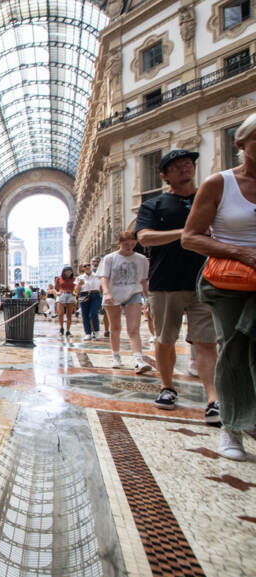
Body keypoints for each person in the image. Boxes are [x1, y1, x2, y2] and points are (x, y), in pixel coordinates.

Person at [182, 112, 256, 460]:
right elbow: (190, 237)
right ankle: (231, 427)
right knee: (234, 349)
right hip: (230, 281)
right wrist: (242, 252)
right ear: (241, 143)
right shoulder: (219, 184)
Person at [136, 149, 219, 419]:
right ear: (164, 176)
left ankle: (213, 398)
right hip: (165, 282)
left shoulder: (209, 199)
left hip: (205, 281)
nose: (184, 168)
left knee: (206, 342)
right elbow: (144, 237)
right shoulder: (154, 205)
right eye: (176, 166)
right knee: (165, 339)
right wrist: (187, 233)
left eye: (188, 163)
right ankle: (167, 387)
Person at [97, 232, 150, 370]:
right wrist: (107, 293)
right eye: (126, 244)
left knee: (134, 329)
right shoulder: (109, 258)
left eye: (132, 244)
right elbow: (104, 277)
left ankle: (138, 360)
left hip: (134, 293)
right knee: (115, 328)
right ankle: (116, 356)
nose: (129, 246)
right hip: (113, 294)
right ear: (119, 243)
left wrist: (148, 297)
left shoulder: (141, 259)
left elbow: (143, 280)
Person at [74, 261, 102, 340]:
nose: (87, 267)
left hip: (95, 294)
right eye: (85, 266)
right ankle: (88, 333)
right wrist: (79, 285)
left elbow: (101, 286)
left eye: (88, 265)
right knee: (85, 315)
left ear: (91, 266)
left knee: (93, 313)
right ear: (82, 268)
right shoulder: (80, 278)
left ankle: (96, 332)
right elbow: (76, 291)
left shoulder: (97, 276)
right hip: (84, 295)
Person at [54, 266, 77, 337]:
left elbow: (77, 287)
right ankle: (61, 328)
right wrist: (57, 293)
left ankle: (68, 331)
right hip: (61, 295)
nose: (68, 273)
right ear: (63, 272)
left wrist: (75, 292)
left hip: (70, 295)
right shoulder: (59, 278)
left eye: (70, 272)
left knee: (69, 314)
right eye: (67, 272)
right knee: (60, 313)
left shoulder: (74, 279)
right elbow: (55, 288)